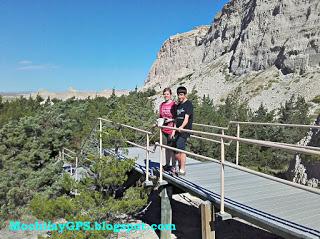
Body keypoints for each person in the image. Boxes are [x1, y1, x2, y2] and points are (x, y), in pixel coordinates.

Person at [173, 86, 193, 176]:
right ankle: (180, 165)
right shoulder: (178, 105)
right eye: (178, 95)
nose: (179, 97)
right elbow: (176, 119)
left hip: (184, 130)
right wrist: (174, 130)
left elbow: (186, 118)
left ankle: (182, 169)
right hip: (177, 129)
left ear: (185, 94)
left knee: (181, 148)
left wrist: (181, 127)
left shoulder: (188, 104)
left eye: (181, 95)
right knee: (176, 151)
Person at [159, 87, 177, 173]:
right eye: (165, 94)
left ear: (170, 95)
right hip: (164, 130)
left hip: (172, 129)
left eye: (167, 94)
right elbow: (160, 116)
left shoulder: (174, 105)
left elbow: (177, 118)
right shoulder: (162, 105)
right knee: (166, 148)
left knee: (172, 149)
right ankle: (167, 164)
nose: (166, 96)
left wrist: (171, 120)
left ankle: (173, 166)